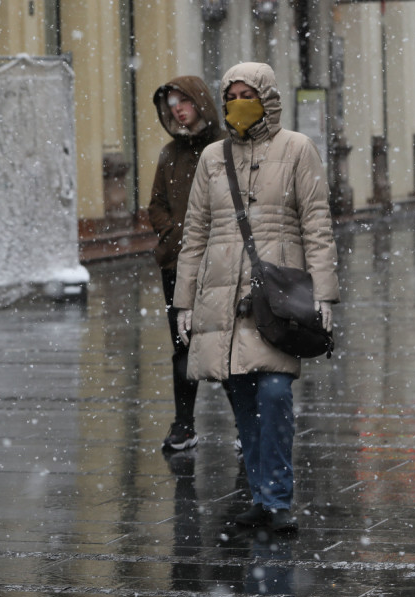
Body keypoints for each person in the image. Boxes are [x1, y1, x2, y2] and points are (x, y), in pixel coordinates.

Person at [173, 62, 339, 533]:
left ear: (266, 96)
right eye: (231, 96)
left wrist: (324, 293)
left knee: (274, 392)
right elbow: (196, 232)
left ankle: (278, 496)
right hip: (222, 301)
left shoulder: (297, 150)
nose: (237, 103)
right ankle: (263, 498)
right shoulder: (212, 158)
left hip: (277, 300)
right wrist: (184, 301)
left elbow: (318, 227)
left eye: (247, 94)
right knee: (244, 399)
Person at [147, 76, 225, 452]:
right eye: (173, 103)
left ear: (200, 103)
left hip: (221, 266)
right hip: (177, 267)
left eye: (185, 101)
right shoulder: (169, 154)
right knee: (183, 347)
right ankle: (184, 424)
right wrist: (171, 235)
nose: (178, 109)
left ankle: (247, 425)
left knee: (227, 345)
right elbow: (156, 205)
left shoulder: (226, 148)